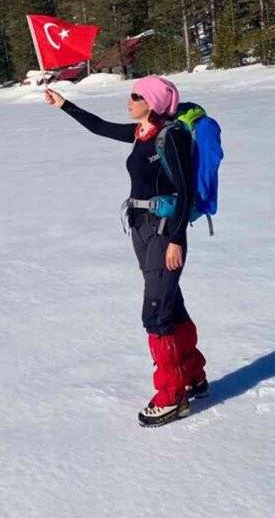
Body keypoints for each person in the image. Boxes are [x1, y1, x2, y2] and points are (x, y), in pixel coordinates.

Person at [44, 76, 208, 427]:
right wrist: (65, 105)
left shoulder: (172, 136)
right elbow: (101, 127)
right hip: (141, 228)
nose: (129, 100)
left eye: (136, 95)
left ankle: (171, 396)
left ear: (151, 101)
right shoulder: (141, 133)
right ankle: (193, 376)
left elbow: (185, 191)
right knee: (170, 304)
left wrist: (176, 239)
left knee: (155, 314)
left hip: (165, 231)